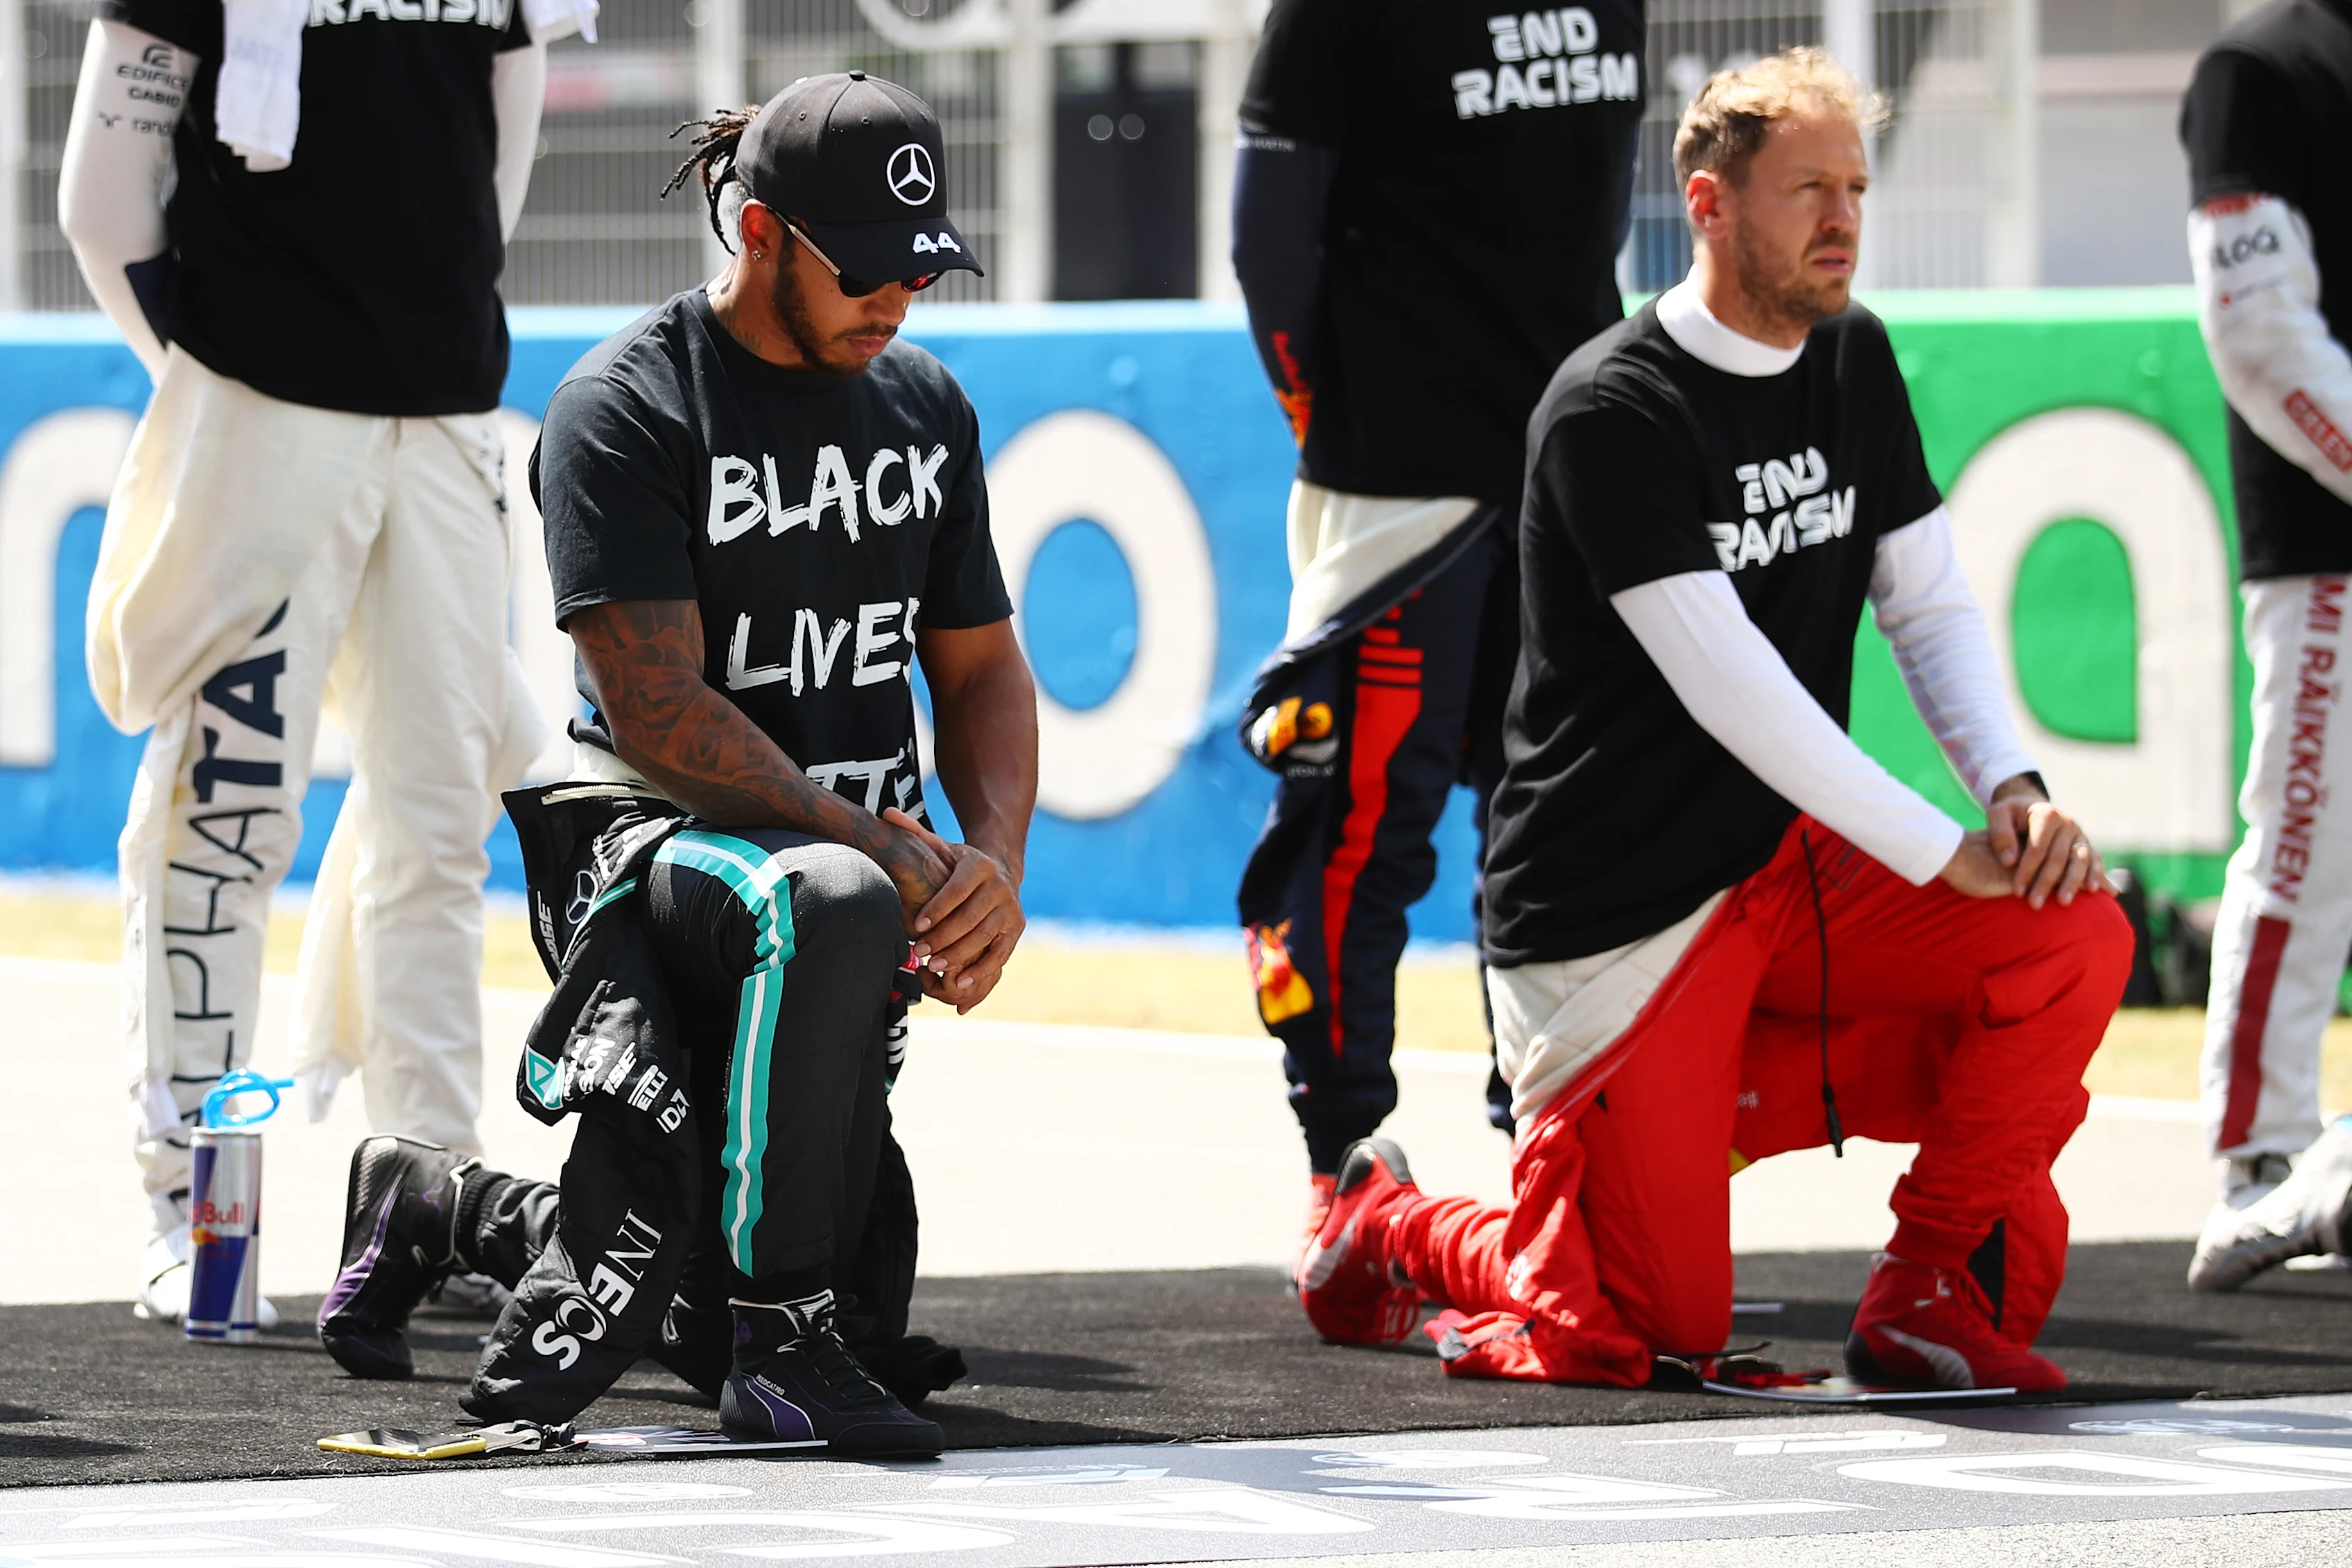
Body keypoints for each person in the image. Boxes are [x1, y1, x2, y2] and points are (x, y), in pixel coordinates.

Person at [1297, 49, 2132, 1392]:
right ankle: (1388, 1224)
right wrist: (1938, 851)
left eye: (1855, 188)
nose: (1844, 219)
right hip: (1617, 914)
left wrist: (2012, 793)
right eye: (1809, 190)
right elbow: (1733, 688)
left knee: (2070, 931)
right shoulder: (1609, 407)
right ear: (1710, 204)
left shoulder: (1853, 356)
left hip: (1783, 874)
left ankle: (1921, 1288)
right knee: (1639, 1328)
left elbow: (1925, 608)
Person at [313, 71, 1037, 1455]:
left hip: (847, 874)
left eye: (919, 269)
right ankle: (783, 1350)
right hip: (651, 851)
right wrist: (878, 844)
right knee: (824, 898)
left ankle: (442, 1205)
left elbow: (984, 671)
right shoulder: (626, 404)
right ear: (759, 233)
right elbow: (653, 709)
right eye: (866, 270)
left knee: (733, 1284)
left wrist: (991, 867)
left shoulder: (925, 406)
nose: (897, 301)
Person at [55, 0, 590, 1324]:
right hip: (264, 423)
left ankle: (433, 1202)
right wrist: (233, 380)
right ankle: (192, 1217)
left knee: (436, 827)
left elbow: (490, 180)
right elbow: (101, 205)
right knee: (223, 820)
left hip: (445, 418)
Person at [1229, 0, 1646, 1242]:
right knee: (1356, 828)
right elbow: (1266, 242)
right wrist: (1341, 425)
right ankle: (1344, 1172)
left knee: (1567, 829)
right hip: (1399, 484)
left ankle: (1557, 1172)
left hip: (1572, 462)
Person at [2178, 0, 2352, 1289]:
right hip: (2329, 549)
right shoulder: (2261, 65)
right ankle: (2263, 1159)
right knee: (2309, 844)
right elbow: (2256, 333)